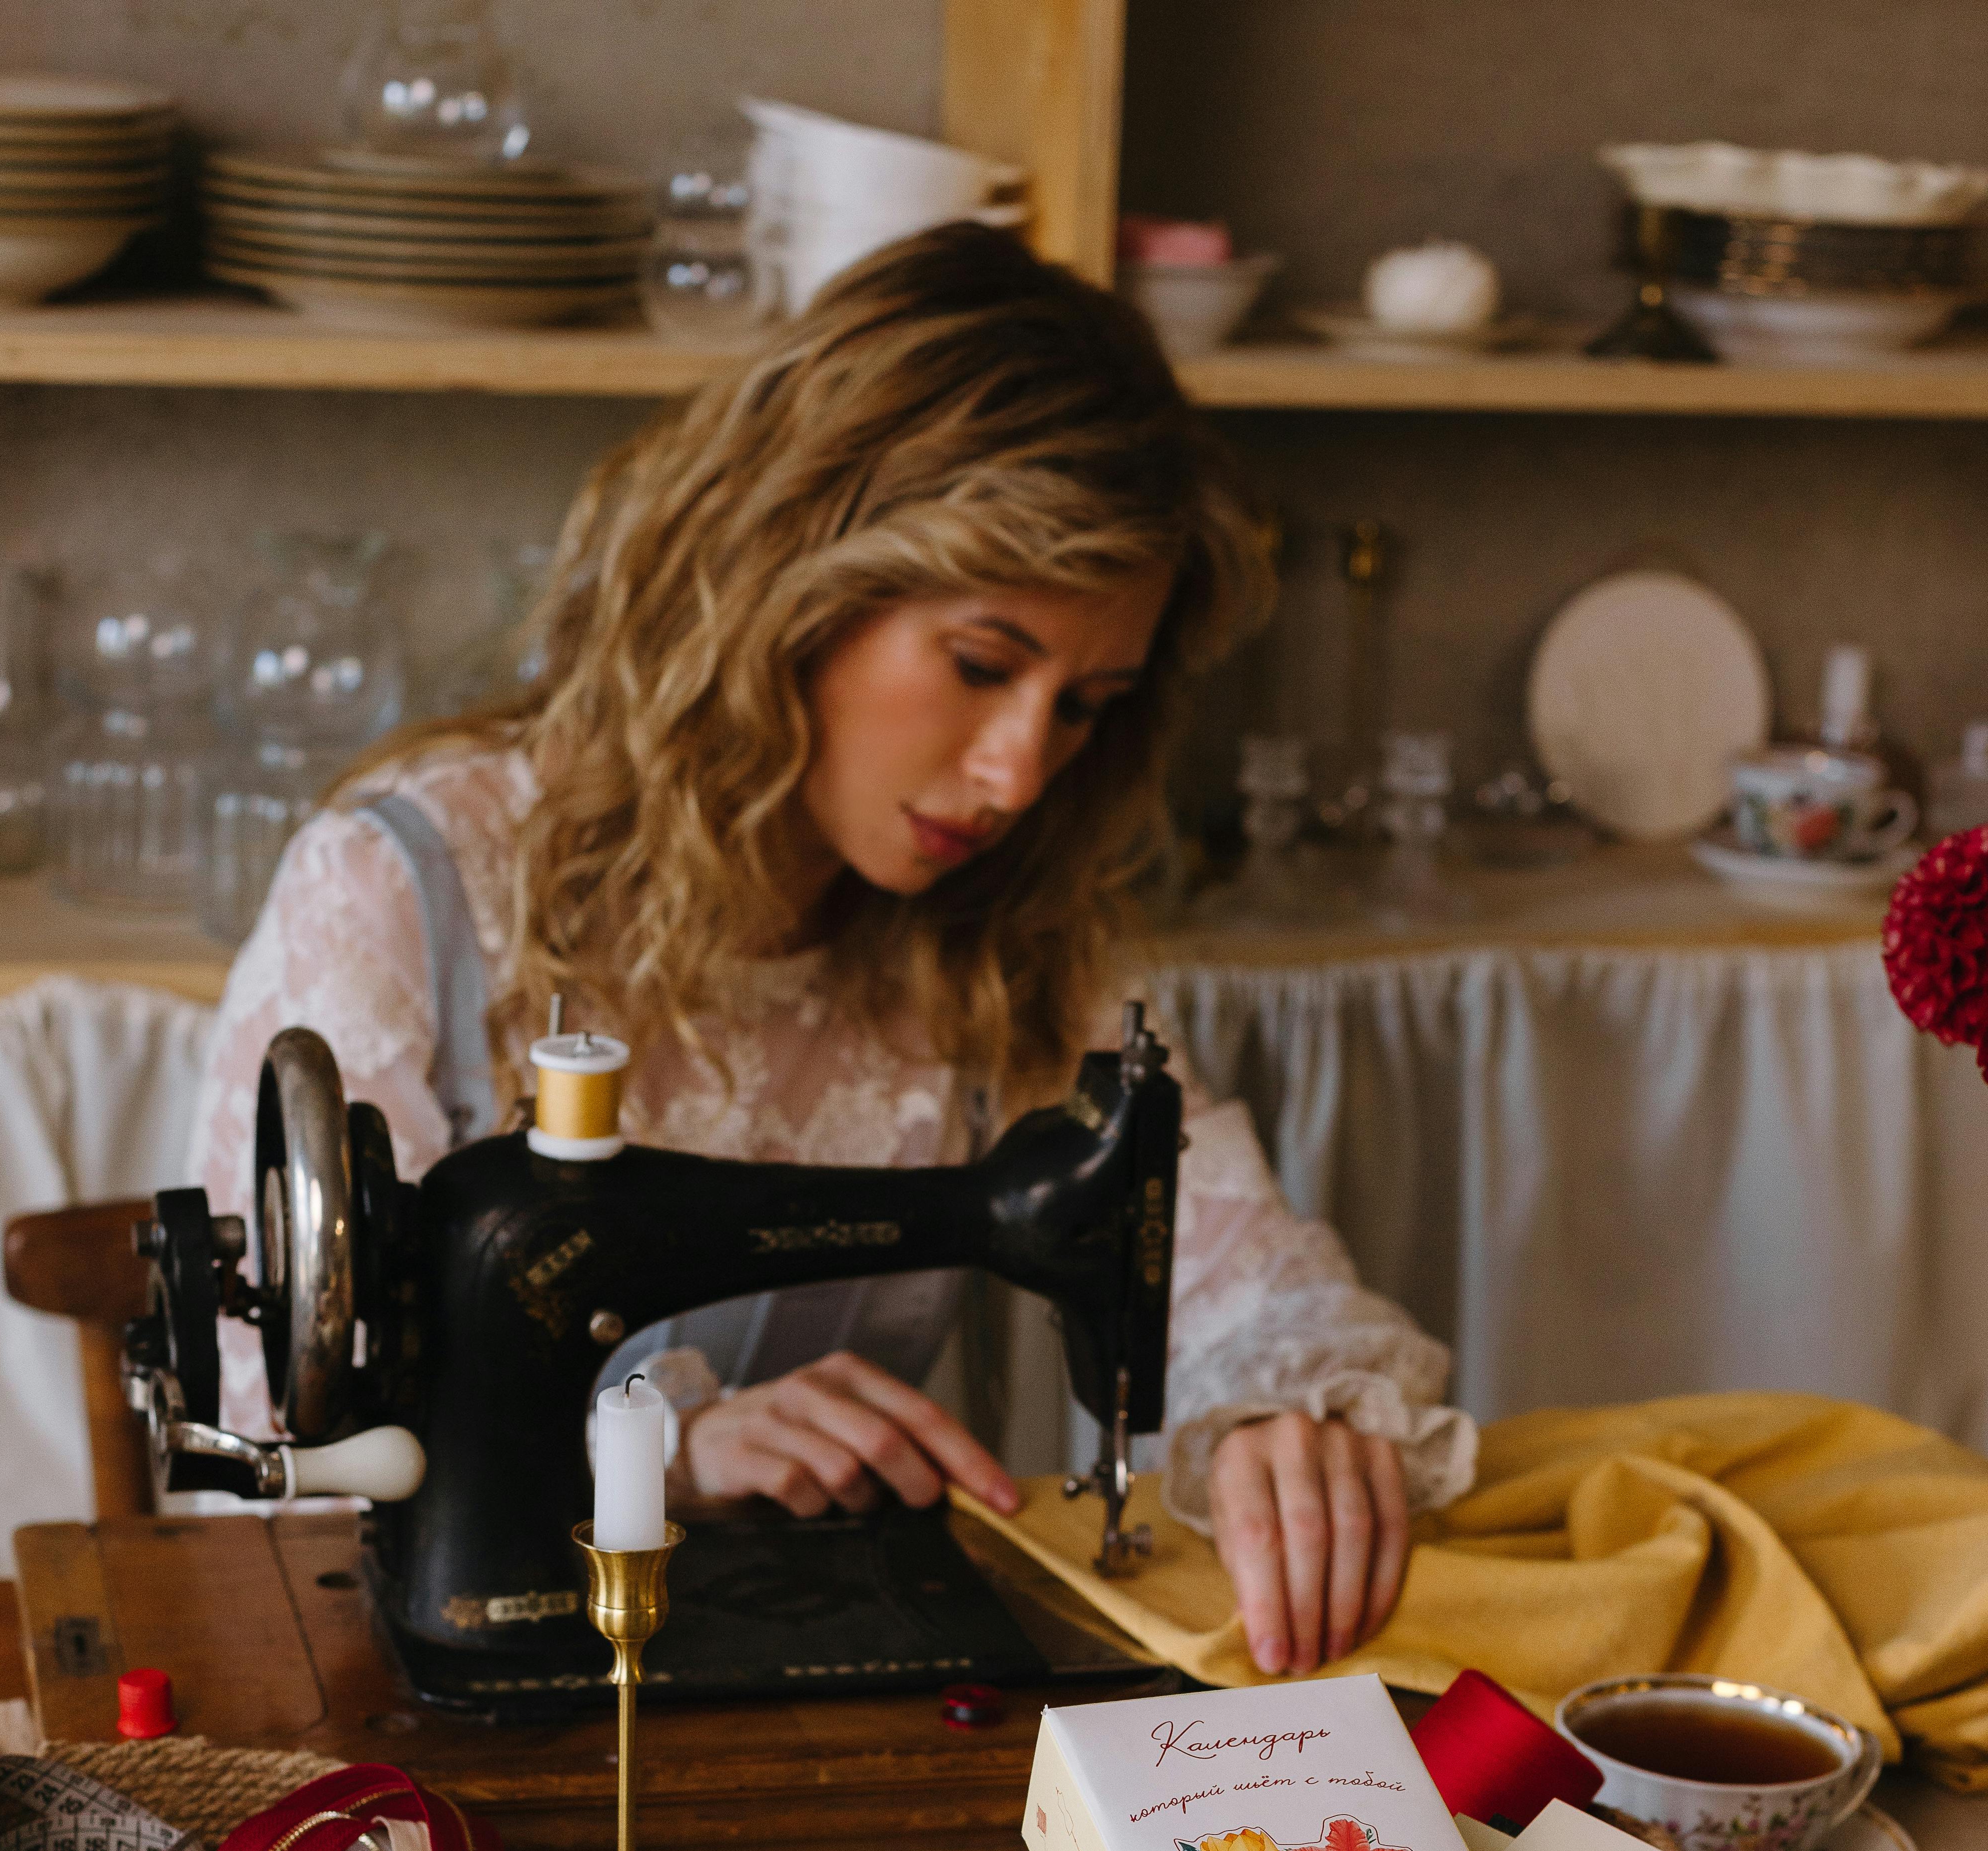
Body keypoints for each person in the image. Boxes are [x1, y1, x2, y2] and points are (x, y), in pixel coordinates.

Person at [191, 224, 1474, 1676]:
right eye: (983, 667)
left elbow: (1237, 1268)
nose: (1018, 774)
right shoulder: (407, 883)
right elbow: (276, 1438)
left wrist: (1295, 1416)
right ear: (789, 582)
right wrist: (663, 1454)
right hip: (463, 1706)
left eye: (1084, 704)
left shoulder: (1009, 936)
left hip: (792, 1686)